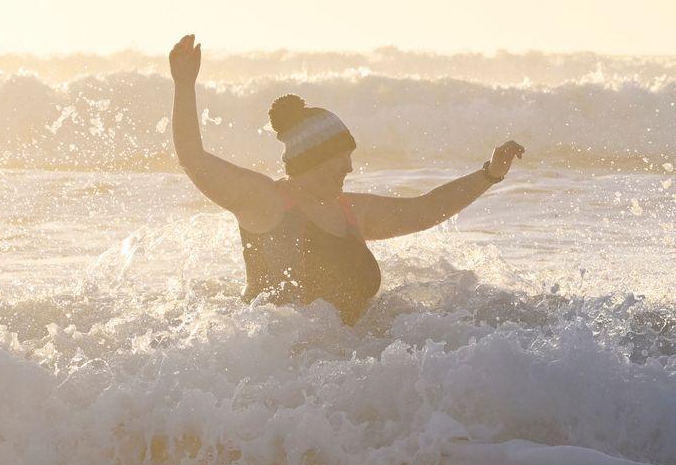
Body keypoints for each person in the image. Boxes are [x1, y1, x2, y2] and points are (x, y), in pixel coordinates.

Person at [167, 34, 523, 323]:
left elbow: (426, 209)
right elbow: (193, 158)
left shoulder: (351, 212)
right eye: (340, 160)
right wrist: (184, 86)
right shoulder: (266, 202)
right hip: (278, 379)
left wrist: (489, 174)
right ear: (311, 160)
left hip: (344, 375)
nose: (349, 169)